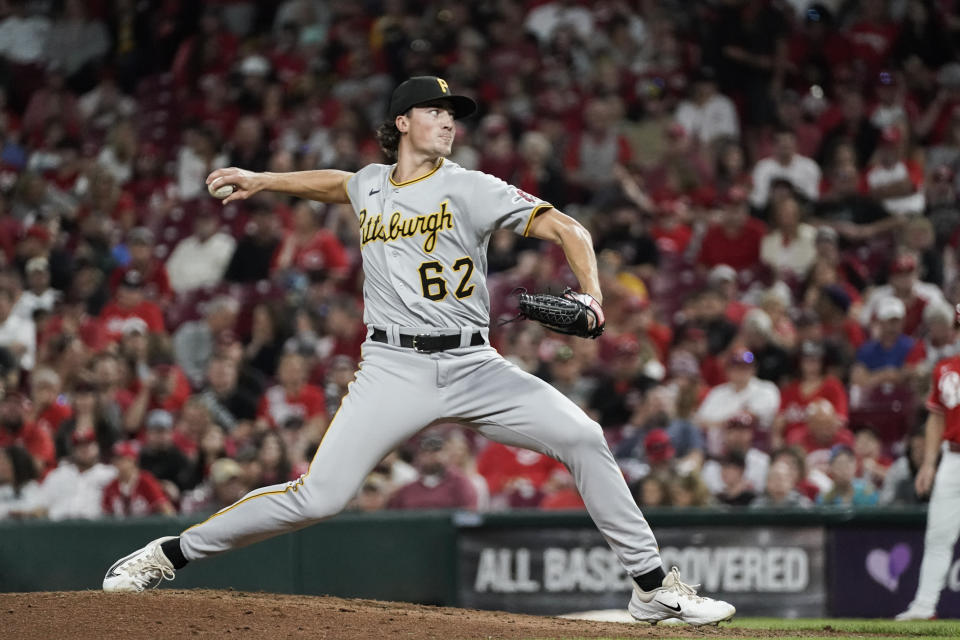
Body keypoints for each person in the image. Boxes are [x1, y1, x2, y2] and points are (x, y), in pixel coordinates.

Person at [102, 75, 735, 625]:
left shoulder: (469, 186)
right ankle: (170, 553)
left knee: (583, 437)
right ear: (402, 122)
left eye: (453, 115)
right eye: (436, 111)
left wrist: (593, 296)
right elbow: (341, 184)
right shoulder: (372, 184)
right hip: (392, 368)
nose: (448, 122)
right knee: (318, 497)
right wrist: (265, 180)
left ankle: (652, 588)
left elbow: (569, 227)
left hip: (473, 363)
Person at [896, 314, 960, 620]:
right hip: (952, 456)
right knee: (938, 534)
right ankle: (923, 605)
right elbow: (936, 418)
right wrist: (929, 464)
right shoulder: (945, 368)